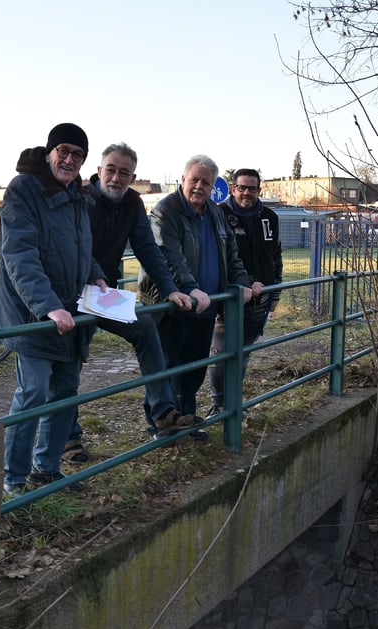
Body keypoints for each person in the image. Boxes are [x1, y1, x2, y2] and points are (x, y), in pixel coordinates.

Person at [59, 143, 199, 463]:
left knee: (145, 327)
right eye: (111, 170)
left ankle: (163, 412)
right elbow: (75, 250)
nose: (116, 178)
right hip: (70, 293)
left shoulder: (133, 202)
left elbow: (147, 248)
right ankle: (67, 438)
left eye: (124, 173)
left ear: (132, 178)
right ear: (99, 171)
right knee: (69, 361)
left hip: (102, 295)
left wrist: (169, 289)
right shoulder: (80, 199)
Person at [0, 123, 108, 497]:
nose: (70, 160)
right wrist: (48, 307)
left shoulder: (77, 195)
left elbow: (80, 247)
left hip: (70, 313)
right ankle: (13, 479)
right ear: (49, 153)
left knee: (66, 390)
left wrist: (96, 274)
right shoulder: (23, 190)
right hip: (34, 316)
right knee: (34, 391)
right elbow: (20, 254)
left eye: (78, 155)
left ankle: (46, 469)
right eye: (64, 151)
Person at [139, 155, 255, 438]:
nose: (199, 186)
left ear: (213, 186)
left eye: (206, 182)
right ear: (183, 179)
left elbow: (231, 254)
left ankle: (186, 421)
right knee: (166, 368)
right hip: (171, 305)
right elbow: (168, 257)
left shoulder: (215, 213)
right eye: (194, 180)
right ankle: (159, 427)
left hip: (205, 307)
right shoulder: (166, 211)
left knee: (193, 371)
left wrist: (242, 283)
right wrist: (190, 288)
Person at [208, 169, 282, 417]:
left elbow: (276, 255)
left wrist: (276, 290)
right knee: (220, 352)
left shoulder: (269, 217)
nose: (247, 193)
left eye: (252, 188)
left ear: (259, 190)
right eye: (242, 188)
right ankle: (218, 405)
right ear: (233, 189)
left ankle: (233, 403)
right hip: (228, 296)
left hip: (261, 297)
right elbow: (217, 256)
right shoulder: (218, 214)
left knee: (243, 351)